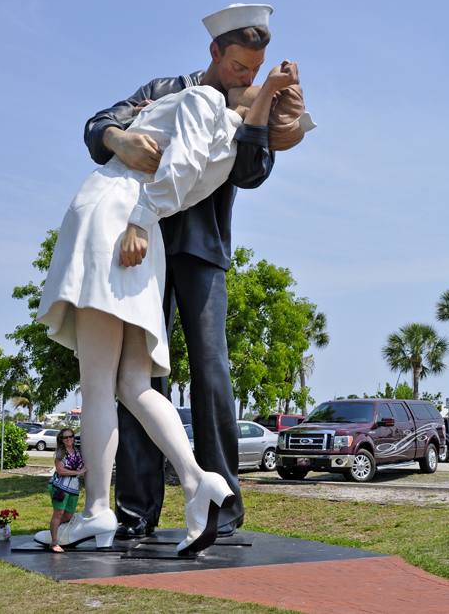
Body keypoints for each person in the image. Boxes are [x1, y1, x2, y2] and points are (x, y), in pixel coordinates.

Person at [33, 61, 314, 553]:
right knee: (135, 382)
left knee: (199, 372)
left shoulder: (234, 125)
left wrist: (260, 117)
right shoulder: (171, 90)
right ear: (219, 52)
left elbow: (243, 170)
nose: (247, 75)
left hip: (162, 235)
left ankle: (192, 501)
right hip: (145, 234)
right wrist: (122, 135)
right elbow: (100, 124)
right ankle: (145, 504)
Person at [47, 428, 86, 552]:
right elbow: (60, 470)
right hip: (60, 487)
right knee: (58, 514)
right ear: (62, 440)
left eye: (71, 436)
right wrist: (77, 472)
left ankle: (55, 529)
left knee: (68, 515)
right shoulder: (61, 453)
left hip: (73, 487)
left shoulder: (76, 450)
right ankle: (54, 542)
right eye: (65, 437)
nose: (69, 439)